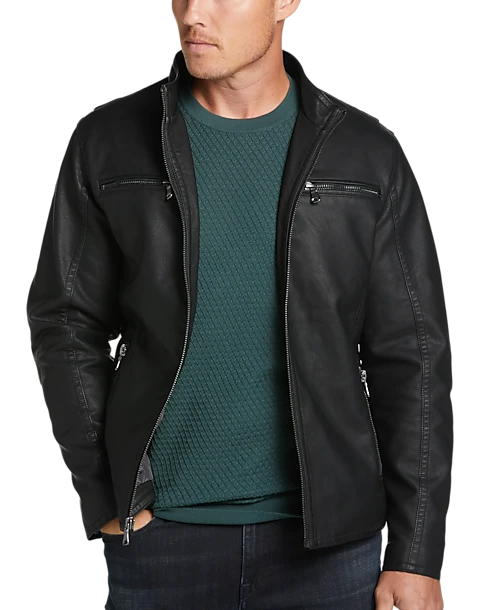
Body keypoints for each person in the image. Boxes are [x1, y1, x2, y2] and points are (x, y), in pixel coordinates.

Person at [26, 1, 453, 608]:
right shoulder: (110, 141)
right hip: (162, 538)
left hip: (330, 548)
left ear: (287, 3)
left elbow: (413, 357)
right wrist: (108, 493)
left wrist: (415, 554)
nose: (192, 14)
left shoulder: (364, 153)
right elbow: (66, 320)